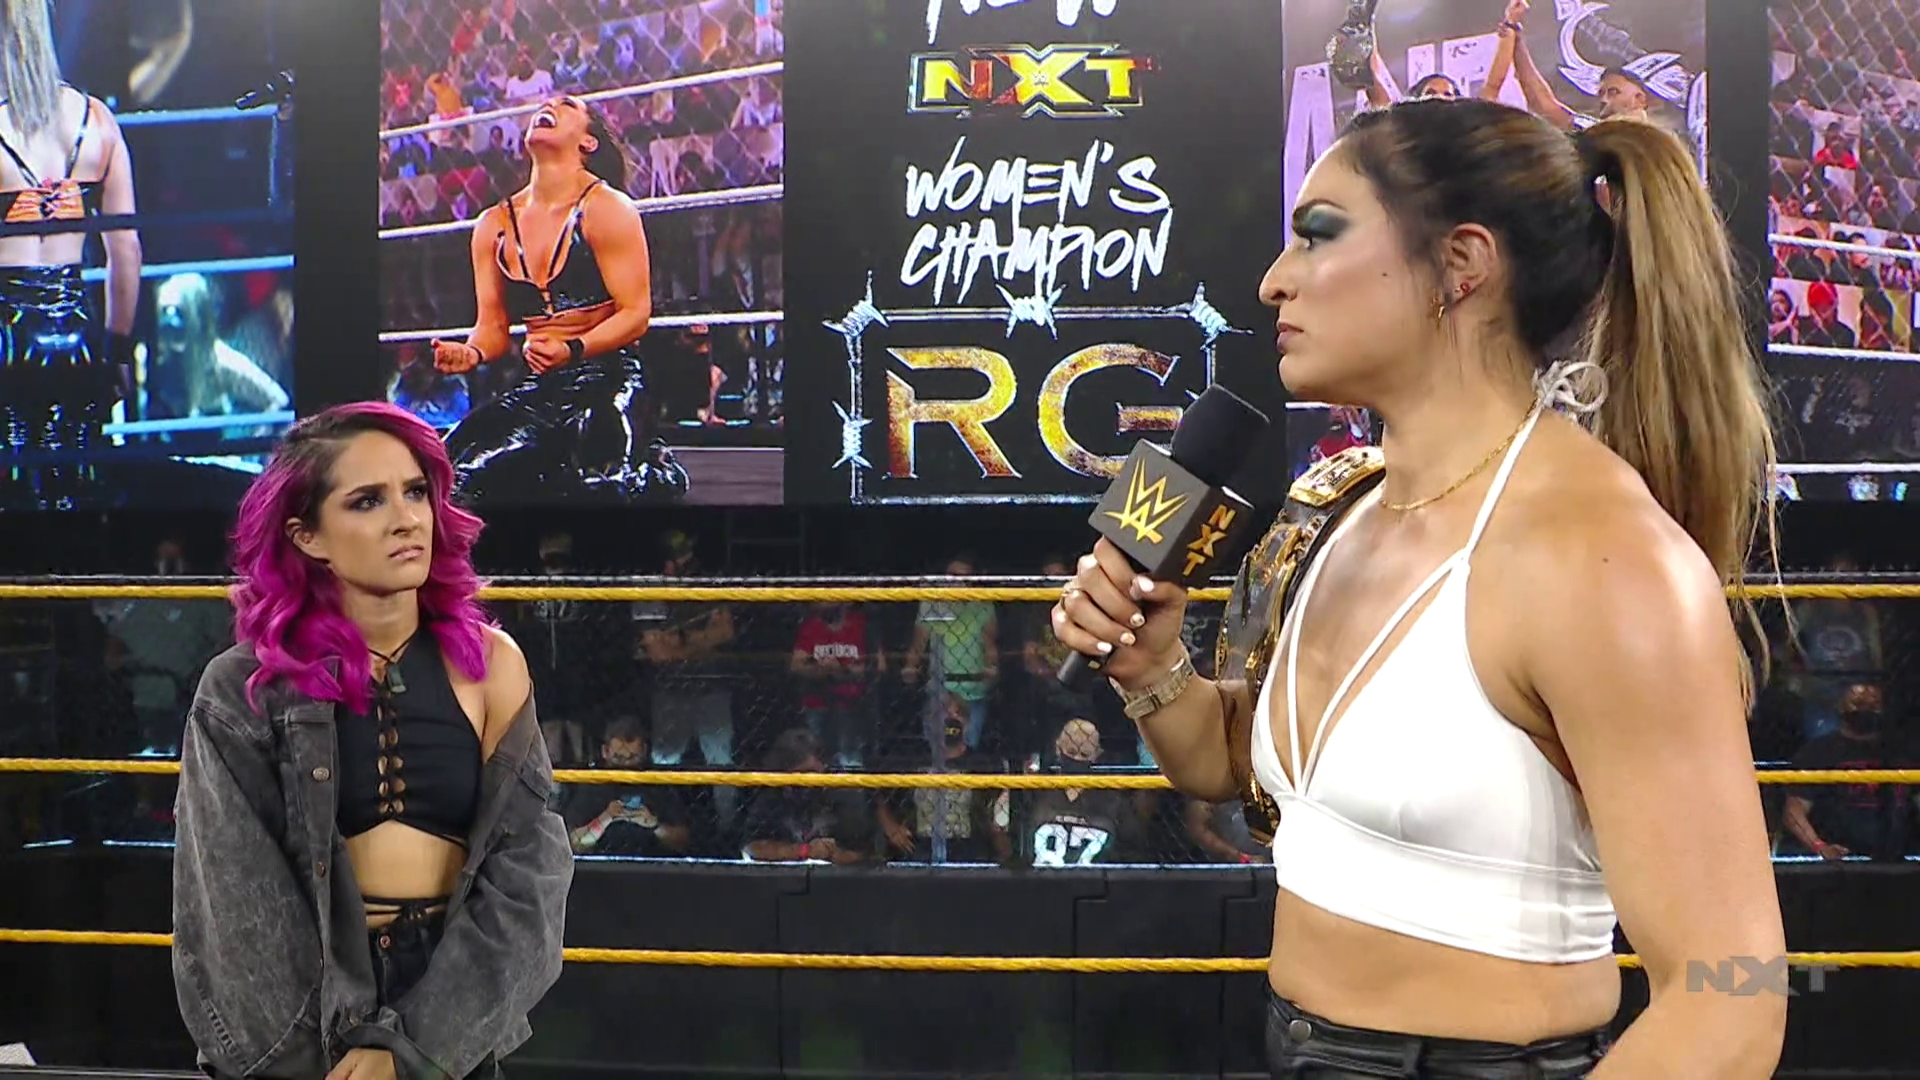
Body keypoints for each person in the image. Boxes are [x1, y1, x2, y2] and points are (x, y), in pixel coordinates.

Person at [1054, 97, 1786, 1076]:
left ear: (1462, 263)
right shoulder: (1342, 507)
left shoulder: (1601, 561)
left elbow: (1732, 996)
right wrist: (1154, 669)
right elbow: (1240, 768)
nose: (1275, 281)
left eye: (1319, 234)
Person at [171, 402, 573, 1080]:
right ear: (307, 536)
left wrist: (418, 1048)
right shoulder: (244, 688)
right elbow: (234, 907)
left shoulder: (493, 666)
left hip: (450, 1001)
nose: (407, 518)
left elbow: (528, 880)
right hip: (302, 1020)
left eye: (415, 491)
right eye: (367, 501)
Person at [433, 94, 688, 506]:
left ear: (588, 142)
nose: (548, 106)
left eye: (566, 105)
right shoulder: (493, 225)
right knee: (449, 476)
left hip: (609, 375)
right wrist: (471, 353)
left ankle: (654, 465)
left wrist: (573, 349)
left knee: (602, 484)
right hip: (541, 384)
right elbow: (493, 329)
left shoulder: (606, 208)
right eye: (544, 105)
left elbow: (636, 313)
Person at [0, 0, 140, 510]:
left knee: (12, 495)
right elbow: (125, 250)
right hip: (77, 335)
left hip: (7, 336)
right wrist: (118, 352)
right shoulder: (96, 120)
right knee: (74, 489)